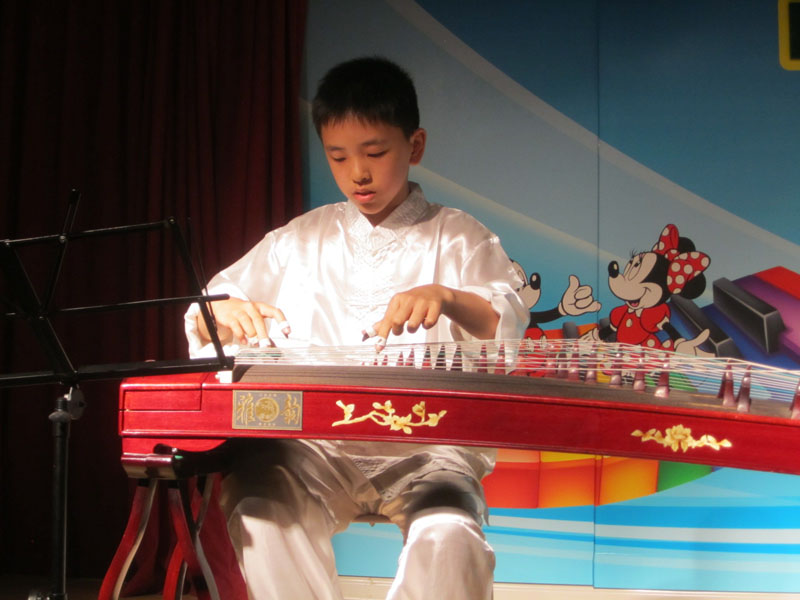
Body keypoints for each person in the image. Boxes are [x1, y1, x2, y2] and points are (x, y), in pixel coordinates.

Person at [185, 56, 528, 600]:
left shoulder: (460, 236)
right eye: (338, 156)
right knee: (258, 507)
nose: (357, 174)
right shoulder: (302, 238)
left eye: (375, 153)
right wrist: (221, 312)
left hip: (429, 443)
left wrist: (445, 296)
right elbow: (212, 304)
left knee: (449, 535)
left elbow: (501, 318)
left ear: (415, 145)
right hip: (314, 445)